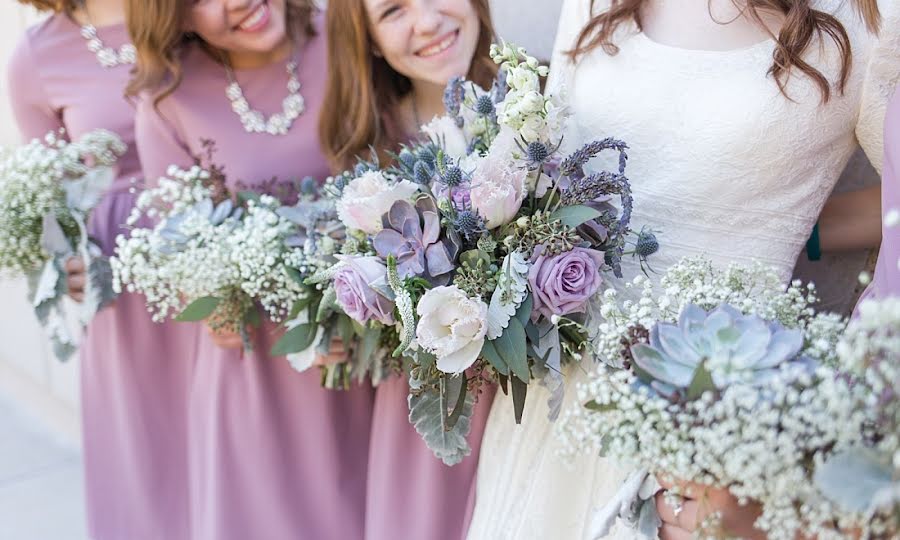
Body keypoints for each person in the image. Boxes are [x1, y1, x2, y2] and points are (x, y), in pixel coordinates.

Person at [465, 1, 894, 539]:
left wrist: (787, 224)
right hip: (555, 403)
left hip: (705, 426)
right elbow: (548, 153)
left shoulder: (866, 19)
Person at [127, 1, 373, 538]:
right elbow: (188, 258)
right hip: (263, 378)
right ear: (175, 18)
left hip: (386, 357)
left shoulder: (352, 29)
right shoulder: (169, 99)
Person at [7, 1, 197, 539]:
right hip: (124, 296)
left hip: (222, 264)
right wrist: (60, 262)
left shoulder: (194, 14)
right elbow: (52, 200)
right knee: (150, 462)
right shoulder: (35, 58)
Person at [319, 1, 496, 538]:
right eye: (393, 9)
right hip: (431, 418)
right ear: (369, 39)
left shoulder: (550, 102)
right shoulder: (366, 161)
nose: (426, 20)